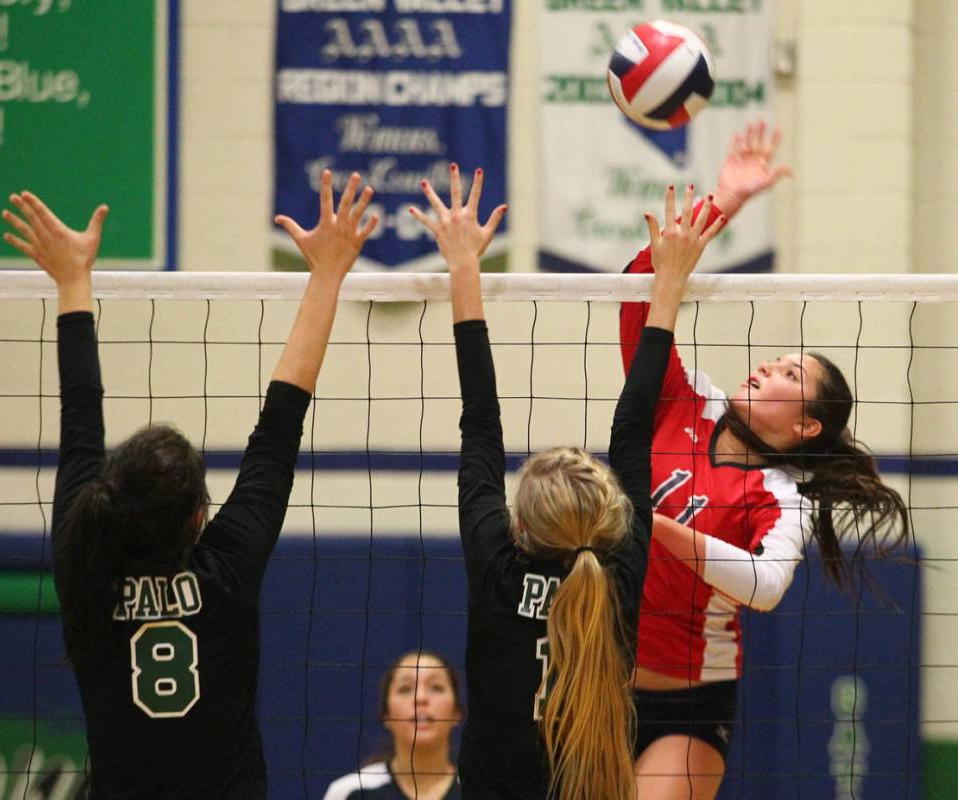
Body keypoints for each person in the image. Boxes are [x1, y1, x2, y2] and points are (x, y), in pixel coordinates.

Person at [1, 171, 378, 799]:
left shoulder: (85, 571)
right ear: (197, 521)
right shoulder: (222, 574)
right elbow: (281, 420)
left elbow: (79, 423)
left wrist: (72, 280)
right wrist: (328, 275)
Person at [411, 163, 724, 798]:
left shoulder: (518, 570)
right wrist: (668, 286)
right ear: (608, 520)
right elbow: (632, 430)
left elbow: (482, 421)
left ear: (519, 525)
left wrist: (462, 269)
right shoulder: (612, 580)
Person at [622, 122, 910, 800]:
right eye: (773, 360)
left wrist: (645, 522)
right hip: (595, 682)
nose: (766, 368)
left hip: (688, 705)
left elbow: (765, 585)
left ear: (807, 424)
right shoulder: (681, 401)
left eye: (787, 374)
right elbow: (642, 288)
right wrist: (725, 199)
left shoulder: (783, 496)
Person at [323, 650, 463, 800]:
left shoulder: (482, 790)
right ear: (386, 714)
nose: (420, 698)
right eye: (405, 689)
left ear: (457, 712)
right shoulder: (350, 792)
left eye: (436, 687)